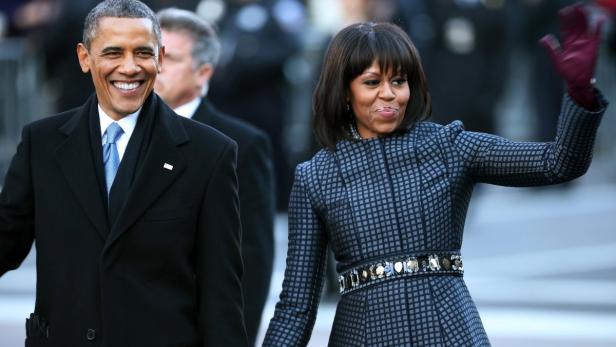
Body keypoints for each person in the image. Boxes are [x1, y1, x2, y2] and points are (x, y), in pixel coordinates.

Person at [262, 4, 607, 346]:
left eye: (399, 80)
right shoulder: (315, 177)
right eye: (372, 82)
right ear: (344, 91)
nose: (389, 94)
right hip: (361, 336)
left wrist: (579, 94)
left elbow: (559, 163)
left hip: (450, 332)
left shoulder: (449, 146)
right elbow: (296, 307)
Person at [0, 0, 247, 346]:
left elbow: (221, 292)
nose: (129, 68)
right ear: (85, 58)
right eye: (113, 52)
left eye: (142, 53)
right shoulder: (41, 144)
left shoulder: (210, 154)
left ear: (160, 58)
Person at [154, 8, 275, 346]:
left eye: (171, 59)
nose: (154, 68)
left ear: (203, 73)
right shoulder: (115, 132)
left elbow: (251, 257)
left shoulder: (243, 144)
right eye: (150, 55)